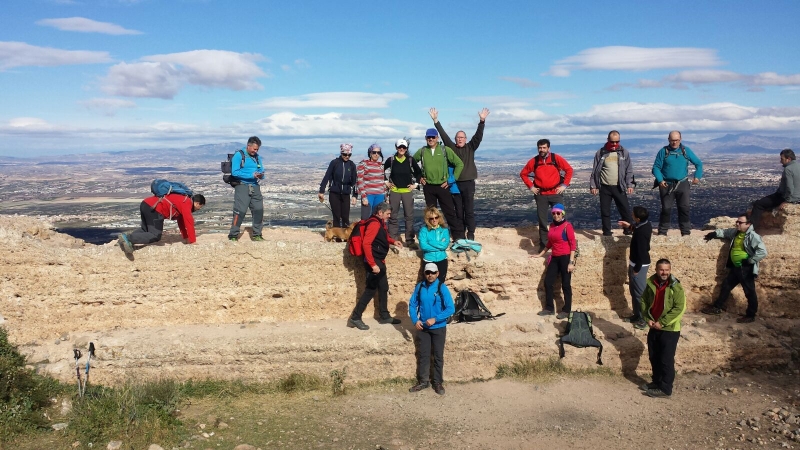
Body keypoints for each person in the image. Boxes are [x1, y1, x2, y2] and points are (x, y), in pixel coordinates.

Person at [430, 107, 490, 240]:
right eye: (458, 137)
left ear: (465, 139)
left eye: (462, 137)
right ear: (455, 139)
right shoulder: (451, 148)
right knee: (458, 211)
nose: (460, 139)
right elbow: (444, 136)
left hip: (468, 183)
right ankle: (460, 233)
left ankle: (471, 233)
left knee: (469, 210)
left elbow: (478, 136)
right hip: (455, 184)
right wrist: (436, 121)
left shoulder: (470, 147)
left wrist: (482, 121)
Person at [700, 215, 768, 323]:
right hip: (736, 267)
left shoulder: (753, 236)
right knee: (726, 285)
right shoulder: (736, 232)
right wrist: (714, 234)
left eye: (740, 222)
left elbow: (762, 252)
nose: (737, 224)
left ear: (748, 224)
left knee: (749, 291)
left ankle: (751, 315)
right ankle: (717, 307)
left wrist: (750, 261)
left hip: (745, 268)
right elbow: (725, 232)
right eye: (737, 221)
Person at [347, 202, 404, 330]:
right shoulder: (374, 224)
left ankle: (384, 315)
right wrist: (373, 265)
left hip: (379, 260)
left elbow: (382, 237)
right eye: (388, 214)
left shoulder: (379, 222)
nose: (389, 216)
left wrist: (393, 241)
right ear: (380, 213)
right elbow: (366, 244)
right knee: (370, 290)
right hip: (374, 261)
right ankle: (355, 317)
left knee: (383, 287)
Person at [640, 259, 686, 399]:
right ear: (656, 270)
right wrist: (647, 318)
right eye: (661, 269)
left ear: (670, 270)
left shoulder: (676, 287)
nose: (664, 272)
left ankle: (665, 389)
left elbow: (679, 308)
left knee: (666, 359)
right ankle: (657, 382)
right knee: (654, 356)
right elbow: (644, 301)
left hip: (669, 329)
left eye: (667, 270)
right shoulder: (651, 283)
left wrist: (663, 323)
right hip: (654, 326)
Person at [408, 262, 455, 396]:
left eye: (433, 273)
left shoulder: (442, 288)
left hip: (438, 327)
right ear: (425, 273)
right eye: (428, 272)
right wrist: (415, 320)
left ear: (437, 274)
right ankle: (423, 381)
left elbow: (450, 308)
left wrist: (436, 319)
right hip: (423, 327)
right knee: (424, 355)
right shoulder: (420, 287)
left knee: (438, 356)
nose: (430, 275)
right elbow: (412, 304)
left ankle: (437, 382)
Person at [519, 139, 574, 251]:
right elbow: (523, 174)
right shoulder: (534, 161)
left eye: (544, 147)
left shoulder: (555, 158)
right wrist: (531, 187)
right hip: (541, 194)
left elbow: (569, 169)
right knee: (542, 220)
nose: (542, 150)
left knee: (560, 217)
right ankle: (544, 245)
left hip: (555, 193)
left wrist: (564, 185)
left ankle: (562, 243)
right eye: (540, 148)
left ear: (548, 148)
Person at [413, 128, 465, 240]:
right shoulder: (422, 151)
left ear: (437, 138)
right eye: (429, 137)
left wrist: (451, 180)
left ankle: (458, 237)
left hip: (443, 186)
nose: (431, 139)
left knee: (449, 212)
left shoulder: (444, 150)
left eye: (433, 137)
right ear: (426, 138)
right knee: (430, 214)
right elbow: (411, 162)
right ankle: (432, 237)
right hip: (428, 186)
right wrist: (418, 177)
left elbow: (459, 164)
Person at [651, 131, 703, 236]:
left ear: (680, 139)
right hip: (666, 184)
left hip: (682, 183)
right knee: (666, 209)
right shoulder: (663, 151)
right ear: (668, 140)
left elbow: (698, 163)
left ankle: (685, 232)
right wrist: (660, 180)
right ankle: (662, 232)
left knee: (684, 208)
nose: (674, 142)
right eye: (672, 140)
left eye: (677, 140)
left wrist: (697, 176)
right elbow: (656, 167)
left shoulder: (686, 151)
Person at [118, 193, 206, 254]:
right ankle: (128, 238)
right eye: (200, 207)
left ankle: (122, 241)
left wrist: (186, 238)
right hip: (155, 209)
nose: (199, 209)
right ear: (197, 203)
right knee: (155, 235)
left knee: (145, 230)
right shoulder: (187, 203)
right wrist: (193, 241)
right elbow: (189, 222)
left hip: (146, 203)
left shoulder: (183, 199)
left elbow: (181, 221)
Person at [534, 203, 577, 320]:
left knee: (566, 285)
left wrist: (571, 262)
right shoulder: (552, 226)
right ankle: (549, 308)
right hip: (555, 257)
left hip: (565, 257)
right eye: (553, 213)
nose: (556, 215)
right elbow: (550, 243)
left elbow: (573, 244)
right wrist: (540, 254)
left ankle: (566, 310)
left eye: (558, 213)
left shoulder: (567, 226)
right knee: (548, 282)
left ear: (562, 214)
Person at [590, 130, 634, 236]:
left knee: (625, 209)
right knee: (605, 211)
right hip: (604, 186)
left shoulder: (623, 152)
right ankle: (606, 232)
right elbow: (595, 170)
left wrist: (630, 184)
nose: (614, 144)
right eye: (612, 142)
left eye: (617, 142)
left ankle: (628, 230)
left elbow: (629, 169)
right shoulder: (601, 152)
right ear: (607, 140)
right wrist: (593, 185)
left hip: (619, 186)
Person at [618, 206, 652, 330]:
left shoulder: (641, 233)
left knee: (640, 294)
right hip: (635, 263)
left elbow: (642, 252)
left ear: (637, 218)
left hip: (639, 265)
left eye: (633, 214)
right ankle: (637, 315)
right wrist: (629, 226)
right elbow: (637, 228)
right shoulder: (645, 225)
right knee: (634, 292)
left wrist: (637, 269)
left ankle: (644, 319)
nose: (631, 214)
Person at [750, 149, 800, 231]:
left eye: (782, 159)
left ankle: (750, 229)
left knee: (758, 204)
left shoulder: (788, 169)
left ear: (788, 159)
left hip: (787, 197)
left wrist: (787, 201)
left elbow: (789, 187)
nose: (780, 161)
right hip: (798, 197)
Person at [384, 138, 422, 247]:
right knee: (393, 216)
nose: (401, 149)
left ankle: (409, 240)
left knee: (409, 216)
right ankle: (393, 239)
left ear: (406, 149)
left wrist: (415, 185)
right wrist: (386, 182)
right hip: (394, 191)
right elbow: (382, 170)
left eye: (404, 147)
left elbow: (419, 172)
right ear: (396, 148)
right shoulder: (391, 160)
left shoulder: (410, 160)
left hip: (407, 192)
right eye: (400, 147)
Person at [228, 136, 266, 241]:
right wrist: (251, 175)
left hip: (255, 186)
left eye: (257, 149)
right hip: (242, 186)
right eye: (254, 149)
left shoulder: (257, 157)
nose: (256, 151)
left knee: (259, 210)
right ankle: (233, 235)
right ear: (248, 146)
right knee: (240, 211)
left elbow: (261, 169)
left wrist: (261, 175)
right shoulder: (239, 155)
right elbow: (235, 172)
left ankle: (257, 234)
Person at [318, 143, 357, 228]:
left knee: (345, 217)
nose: (347, 156)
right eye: (345, 154)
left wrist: (355, 195)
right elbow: (327, 176)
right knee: (336, 216)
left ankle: (345, 234)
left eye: (349, 155)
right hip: (334, 193)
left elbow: (354, 182)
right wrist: (321, 191)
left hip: (346, 194)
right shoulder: (335, 163)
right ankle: (337, 234)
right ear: (341, 153)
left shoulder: (352, 165)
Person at [418, 206, 450, 283]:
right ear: (428, 219)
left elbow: (444, 246)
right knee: (428, 283)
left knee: (440, 282)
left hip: (442, 259)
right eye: (431, 218)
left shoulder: (444, 230)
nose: (434, 220)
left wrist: (431, 242)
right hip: (429, 259)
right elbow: (423, 246)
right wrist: (439, 247)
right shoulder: (424, 230)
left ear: (439, 218)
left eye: (436, 217)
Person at [356, 144, 386, 220]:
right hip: (368, 195)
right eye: (374, 152)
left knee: (378, 218)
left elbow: (382, 181)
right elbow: (360, 181)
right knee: (366, 218)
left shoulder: (381, 166)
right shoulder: (363, 164)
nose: (376, 154)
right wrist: (364, 197)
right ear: (370, 153)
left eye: (378, 152)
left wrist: (386, 196)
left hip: (380, 195)